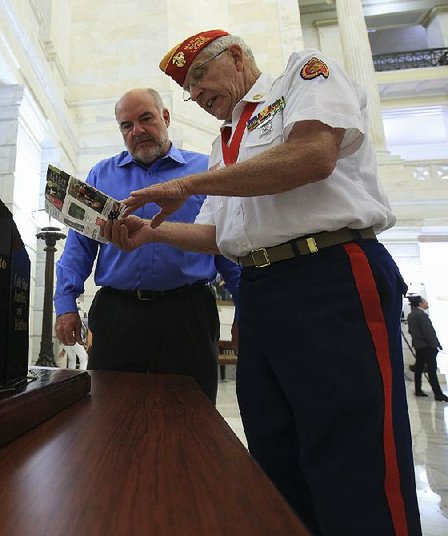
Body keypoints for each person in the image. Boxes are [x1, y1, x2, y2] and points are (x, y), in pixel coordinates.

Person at [103, 31, 421, 535]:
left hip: (329, 272)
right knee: (275, 442)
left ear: (234, 56)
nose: (197, 96)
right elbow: (217, 233)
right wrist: (150, 234)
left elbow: (312, 154)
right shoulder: (222, 143)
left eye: (199, 79)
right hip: (262, 288)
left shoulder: (301, 76)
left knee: (352, 443)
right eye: (188, 89)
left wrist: (186, 184)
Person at [54, 87, 240, 404]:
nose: (137, 131)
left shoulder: (203, 171)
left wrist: (244, 308)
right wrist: (65, 303)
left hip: (188, 314)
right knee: (109, 411)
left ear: (166, 117)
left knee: (191, 413)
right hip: (117, 315)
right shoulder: (101, 174)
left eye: (146, 119)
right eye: (127, 125)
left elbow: (227, 243)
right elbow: (79, 246)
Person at [407, 295, 448, 401]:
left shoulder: (411, 315)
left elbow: (411, 331)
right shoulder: (422, 316)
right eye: (425, 301)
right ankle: (438, 394)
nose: (427, 303)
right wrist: (435, 345)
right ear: (420, 303)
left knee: (419, 368)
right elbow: (428, 332)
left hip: (418, 346)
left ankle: (418, 390)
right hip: (427, 346)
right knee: (431, 370)